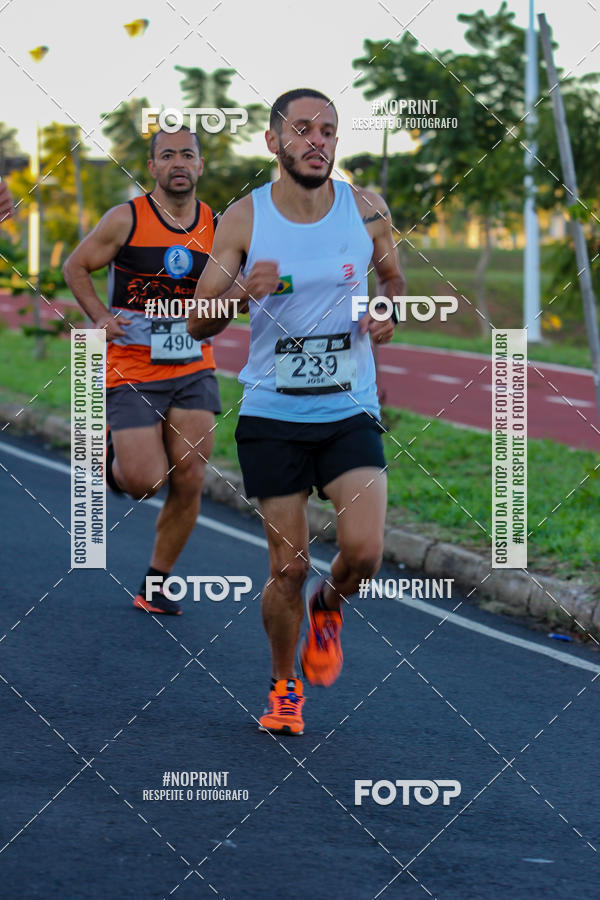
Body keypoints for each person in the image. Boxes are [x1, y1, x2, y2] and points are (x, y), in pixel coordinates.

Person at [188, 88, 406, 735]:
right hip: (273, 414)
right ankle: (285, 687)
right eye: (303, 129)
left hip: (349, 409)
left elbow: (392, 277)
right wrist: (238, 291)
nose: (318, 140)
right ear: (274, 141)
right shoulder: (244, 219)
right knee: (287, 568)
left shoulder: (366, 210)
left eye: (329, 130)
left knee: (363, 553)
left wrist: (387, 305)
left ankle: (331, 606)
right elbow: (198, 320)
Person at [64, 127, 222, 615]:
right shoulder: (126, 218)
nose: (179, 163)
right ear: (152, 167)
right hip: (132, 369)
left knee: (191, 475)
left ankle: (156, 583)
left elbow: (234, 284)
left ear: (199, 165)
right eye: (167, 155)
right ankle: (109, 450)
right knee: (144, 483)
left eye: (188, 155)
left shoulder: (217, 224)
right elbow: (76, 267)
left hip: (194, 366)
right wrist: (99, 316)